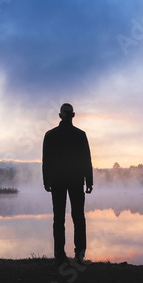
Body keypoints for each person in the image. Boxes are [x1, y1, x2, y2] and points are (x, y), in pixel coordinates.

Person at [42, 103, 93, 265]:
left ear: (59, 116)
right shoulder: (80, 135)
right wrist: (89, 181)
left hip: (56, 180)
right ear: (73, 115)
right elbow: (86, 159)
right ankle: (80, 254)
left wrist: (46, 181)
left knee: (58, 218)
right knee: (79, 217)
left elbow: (46, 161)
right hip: (76, 180)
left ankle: (59, 254)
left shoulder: (50, 135)